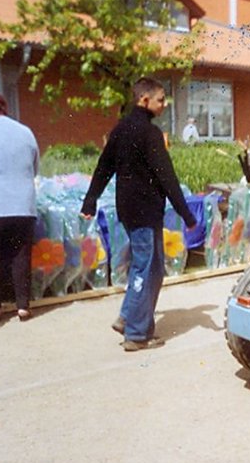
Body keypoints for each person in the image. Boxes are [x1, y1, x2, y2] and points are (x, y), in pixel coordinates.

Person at [81, 78, 198, 351]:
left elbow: (103, 168)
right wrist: (187, 215)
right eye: (160, 99)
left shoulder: (120, 129)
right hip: (145, 211)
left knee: (146, 266)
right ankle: (136, 334)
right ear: (144, 100)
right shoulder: (150, 133)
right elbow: (167, 177)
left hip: (128, 209)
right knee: (148, 268)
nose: (164, 104)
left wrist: (90, 201)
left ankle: (126, 316)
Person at [0, 92, 39, 322]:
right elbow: (35, 166)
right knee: (20, 255)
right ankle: (23, 306)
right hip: (23, 204)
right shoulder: (25, 131)